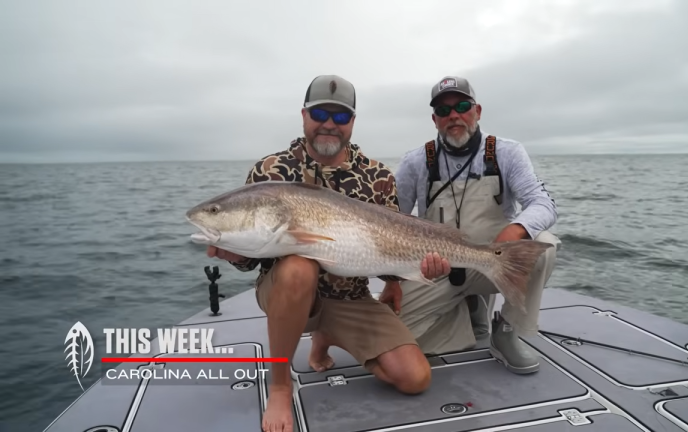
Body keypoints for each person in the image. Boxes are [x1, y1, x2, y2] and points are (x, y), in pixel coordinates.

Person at [206, 75, 431, 432]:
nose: (329, 124)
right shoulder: (270, 171)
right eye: (320, 114)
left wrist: (416, 269)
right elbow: (251, 260)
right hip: (286, 292)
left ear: (352, 122)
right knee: (298, 267)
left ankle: (327, 335)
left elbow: (386, 259)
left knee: (415, 378)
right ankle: (281, 386)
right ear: (304, 115)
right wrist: (234, 254)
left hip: (351, 297)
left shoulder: (378, 176)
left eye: (340, 116)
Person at [387, 75, 560, 375]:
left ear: (477, 111)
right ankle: (466, 311)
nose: (453, 115)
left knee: (543, 246)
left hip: (494, 263)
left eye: (462, 106)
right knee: (390, 342)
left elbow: (543, 203)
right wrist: (392, 278)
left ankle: (506, 331)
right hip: (436, 271)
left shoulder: (507, 152)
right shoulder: (415, 161)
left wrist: (516, 230)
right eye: (443, 110)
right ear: (434, 120)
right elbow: (392, 221)